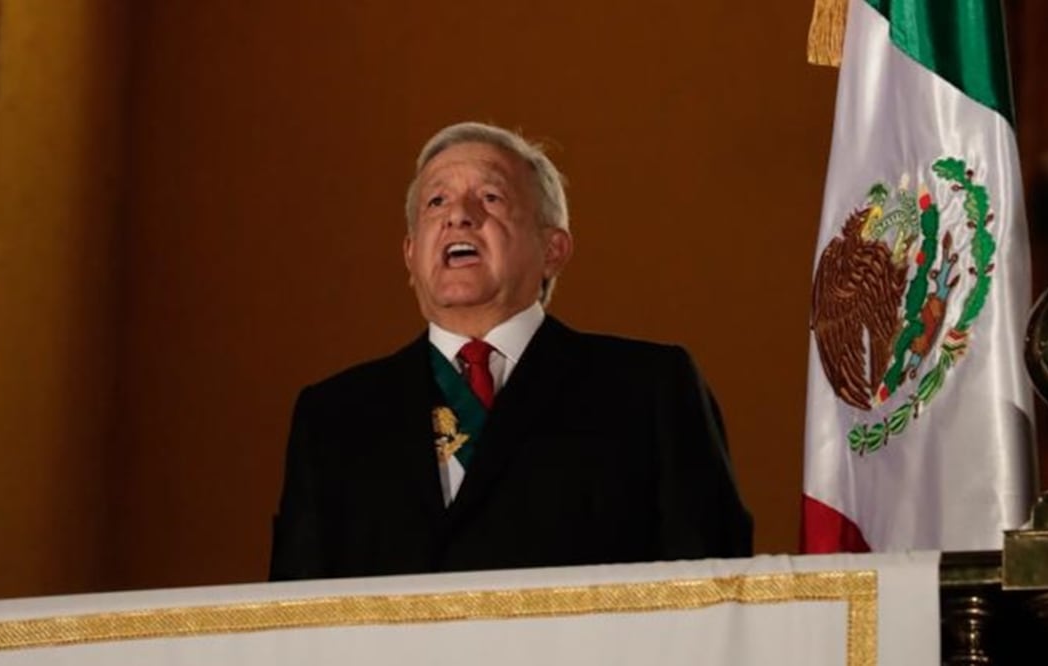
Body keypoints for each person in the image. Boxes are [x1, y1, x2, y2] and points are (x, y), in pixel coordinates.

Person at [269, 122, 752, 581]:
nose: (458, 214)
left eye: (491, 197)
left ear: (553, 249)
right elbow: (295, 619)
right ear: (410, 254)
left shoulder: (650, 389)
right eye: (436, 201)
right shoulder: (333, 418)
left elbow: (712, 589)